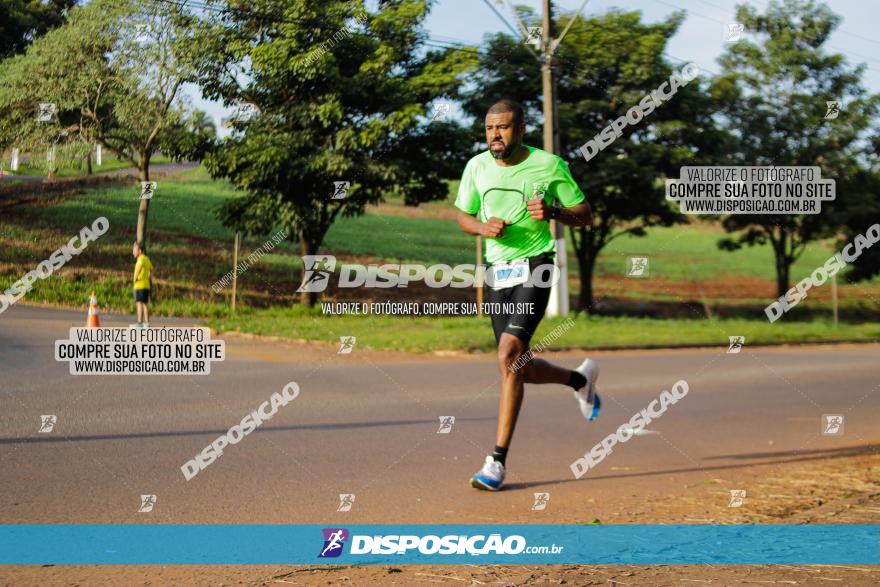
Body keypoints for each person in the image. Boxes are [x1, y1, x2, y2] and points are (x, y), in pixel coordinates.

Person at [454, 99, 602, 491]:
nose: (494, 136)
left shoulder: (549, 165)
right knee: (514, 365)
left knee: (507, 354)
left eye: (502, 128)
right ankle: (578, 380)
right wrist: (482, 228)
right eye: (489, 129)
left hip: (537, 263)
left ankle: (496, 462)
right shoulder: (476, 167)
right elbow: (462, 216)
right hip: (498, 271)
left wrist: (554, 212)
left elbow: (585, 215)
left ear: (520, 129)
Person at [131, 242, 153, 328]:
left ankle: (140, 323)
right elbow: (150, 271)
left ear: (139, 251)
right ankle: (146, 323)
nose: (133, 252)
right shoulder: (147, 259)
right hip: (146, 285)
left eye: (134, 250)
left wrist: (135, 278)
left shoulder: (141, 259)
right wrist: (150, 282)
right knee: (145, 304)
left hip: (139, 285)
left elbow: (139, 267)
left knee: (139, 303)